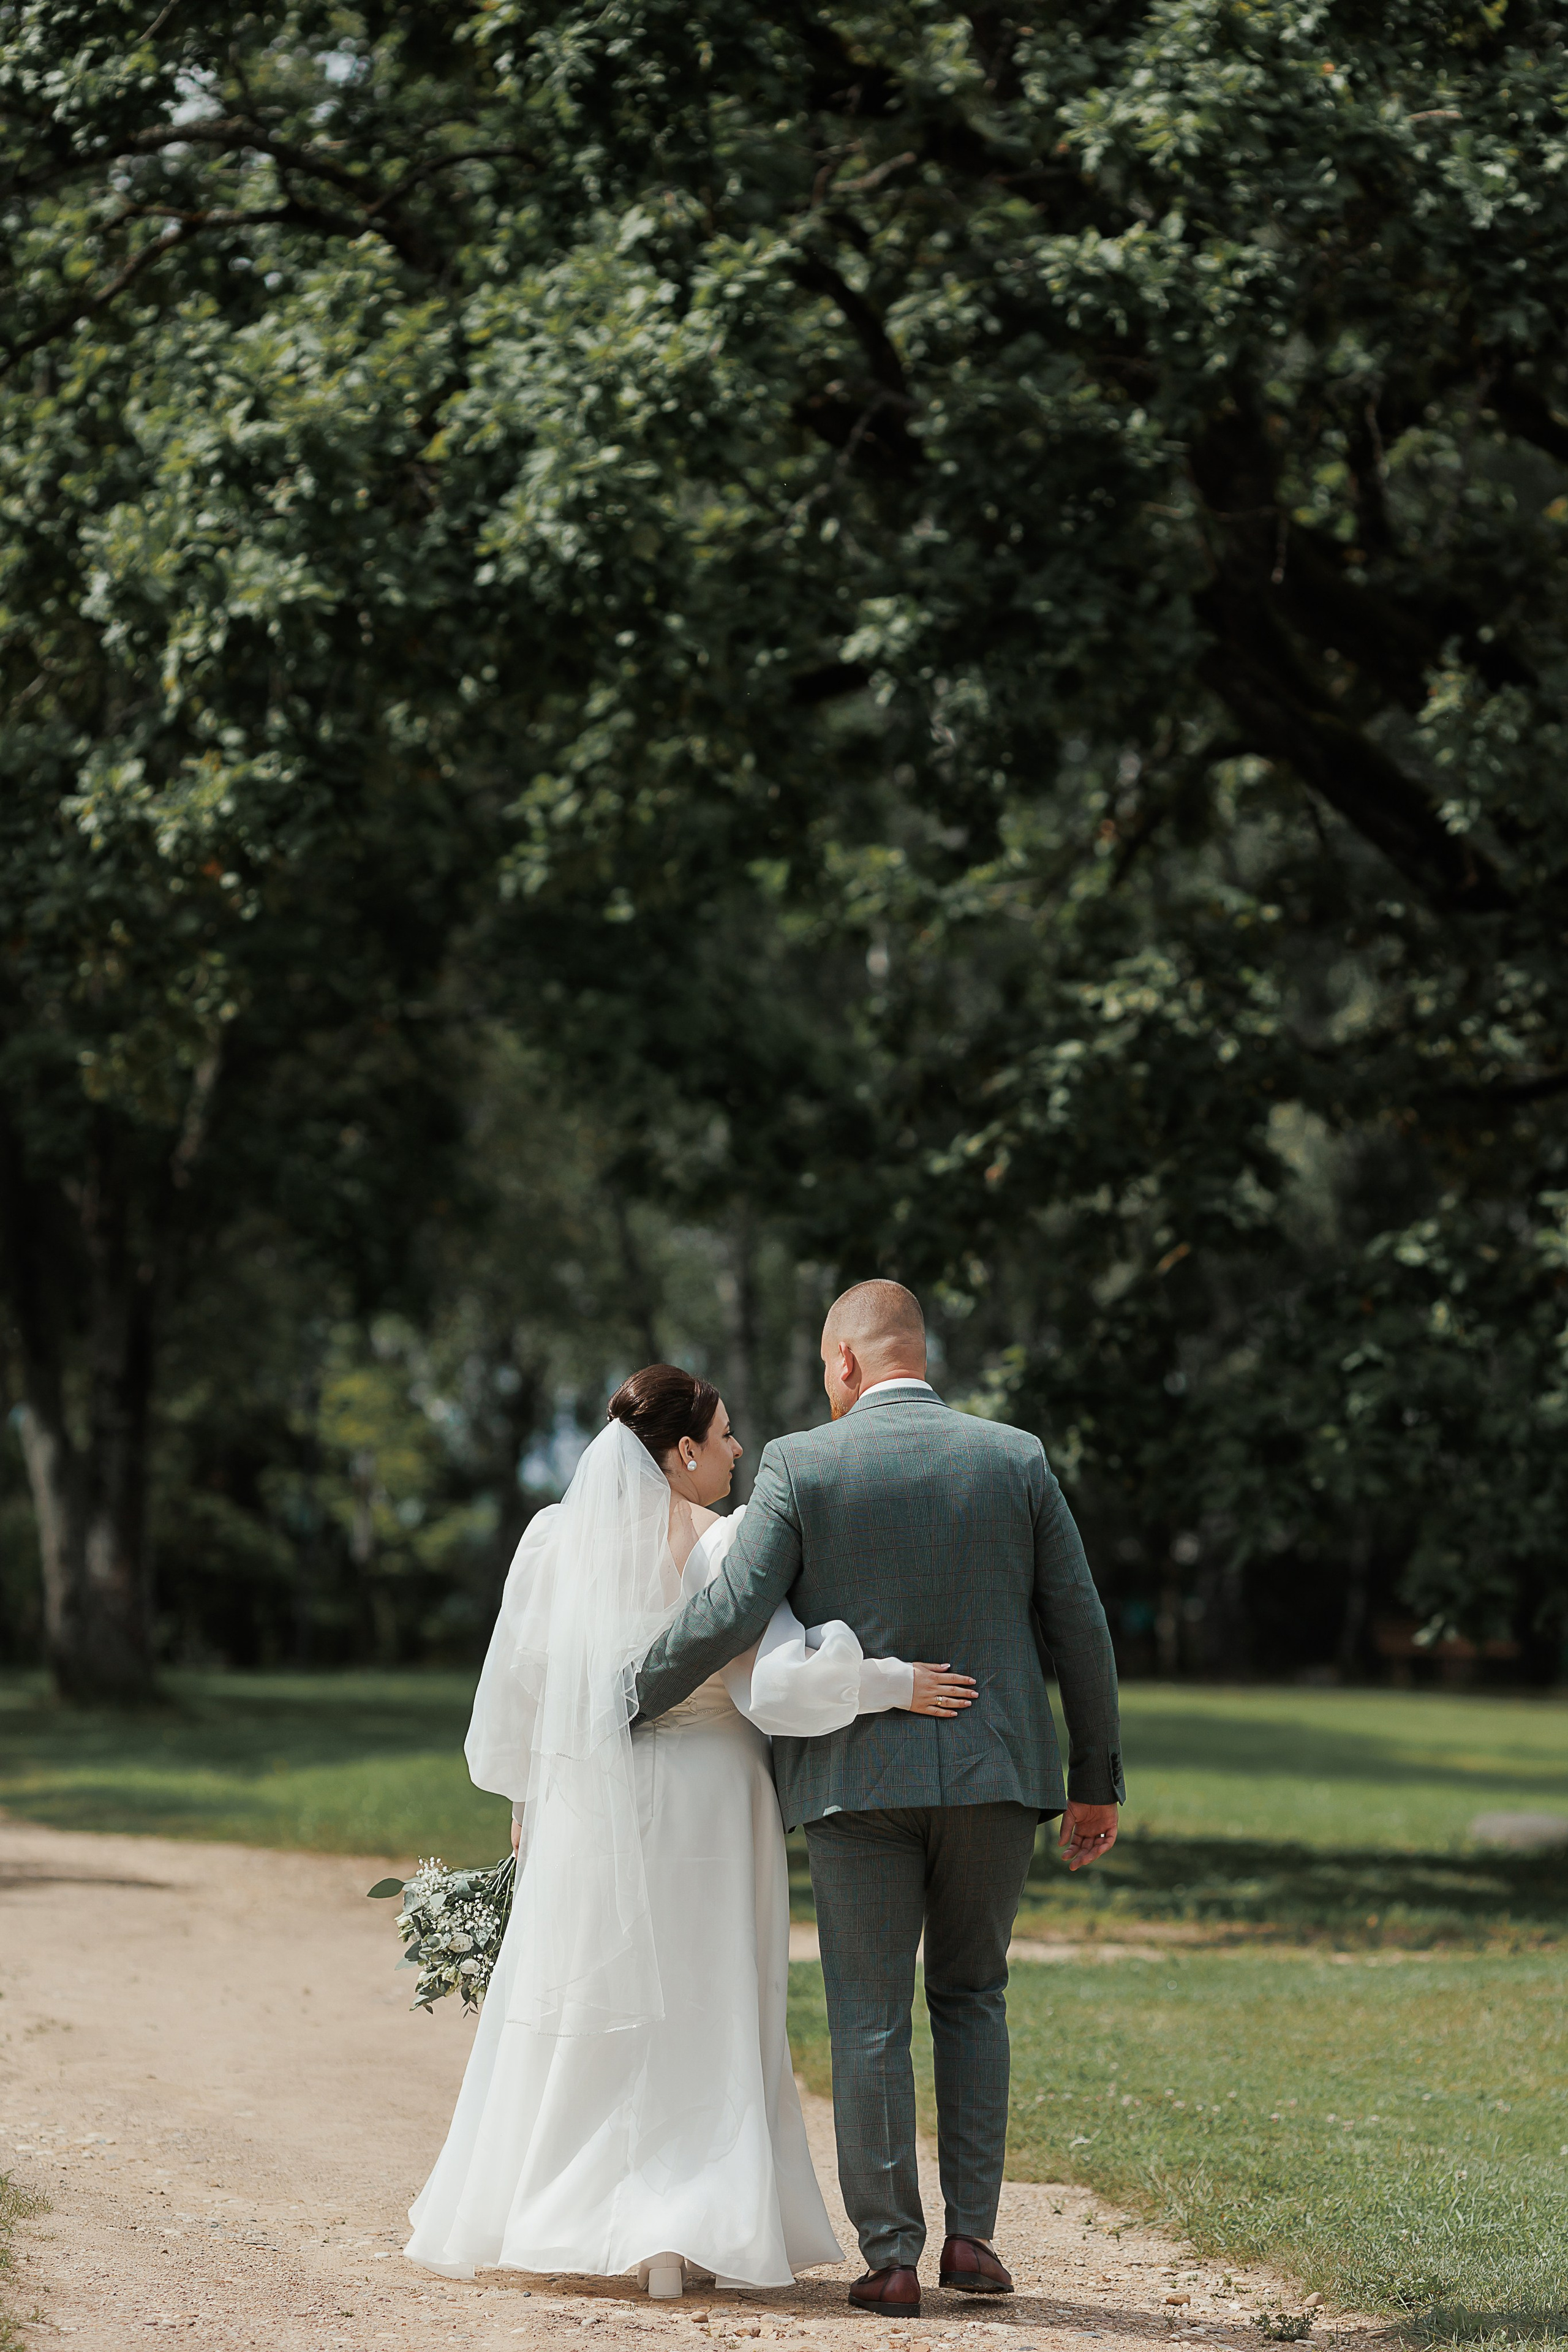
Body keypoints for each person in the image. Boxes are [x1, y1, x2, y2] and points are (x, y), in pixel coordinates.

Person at [404, 1364, 974, 2294]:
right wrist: (892, 1681)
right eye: (723, 1435)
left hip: (593, 1796)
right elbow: (783, 1674)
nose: (739, 1449)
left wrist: (529, 1801)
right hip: (715, 1795)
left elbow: (522, 1689)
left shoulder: (552, 1540)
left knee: (600, 1995)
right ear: (683, 1452)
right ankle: (697, 2226)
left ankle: (575, 2212)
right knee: (712, 2000)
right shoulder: (727, 1542)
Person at [634, 1281, 1124, 2319]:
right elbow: (1080, 1625)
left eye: (825, 1370)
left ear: (847, 1364)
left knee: (868, 2017)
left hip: (855, 1784)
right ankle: (976, 2243)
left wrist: (623, 1696)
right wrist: (1095, 1784)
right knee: (973, 1995)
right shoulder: (1017, 1457)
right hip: (996, 1778)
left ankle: (892, 2258)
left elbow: (729, 1614)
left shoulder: (804, 1465)